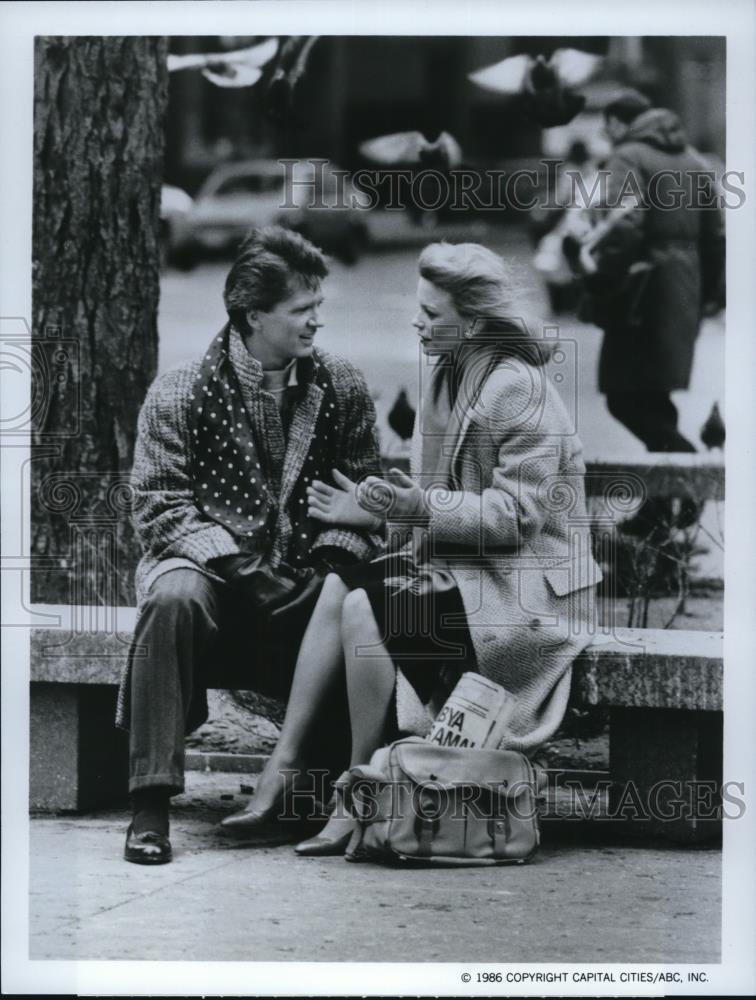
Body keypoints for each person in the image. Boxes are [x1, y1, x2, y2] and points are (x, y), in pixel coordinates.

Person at [221, 241, 603, 855]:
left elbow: (517, 518)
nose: (417, 324)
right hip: (470, 576)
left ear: (473, 322)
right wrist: (373, 510)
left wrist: (411, 507)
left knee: (365, 608)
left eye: (431, 314)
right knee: (344, 583)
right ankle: (286, 766)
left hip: (526, 598)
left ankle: (359, 790)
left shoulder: (516, 388)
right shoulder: (448, 376)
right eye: (418, 311)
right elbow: (426, 512)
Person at [118, 226, 382, 864]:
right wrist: (241, 568)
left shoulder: (340, 386)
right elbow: (157, 506)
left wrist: (328, 566)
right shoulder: (178, 391)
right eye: (301, 310)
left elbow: (364, 494)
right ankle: (150, 807)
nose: (316, 322)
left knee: (348, 605)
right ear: (253, 314)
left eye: (318, 307)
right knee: (171, 600)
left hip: (304, 586)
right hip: (209, 578)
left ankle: (306, 795)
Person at [591, 90, 725, 453]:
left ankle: (685, 476)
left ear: (619, 123)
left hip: (641, 293)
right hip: (684, 290)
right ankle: (665, 505)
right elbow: (716, 235)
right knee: (654, 397)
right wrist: (711, 294)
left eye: (608, 127)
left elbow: (621, 225)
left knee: (625, 397)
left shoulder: (627, 157)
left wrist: (601, 282)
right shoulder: (695, 161)